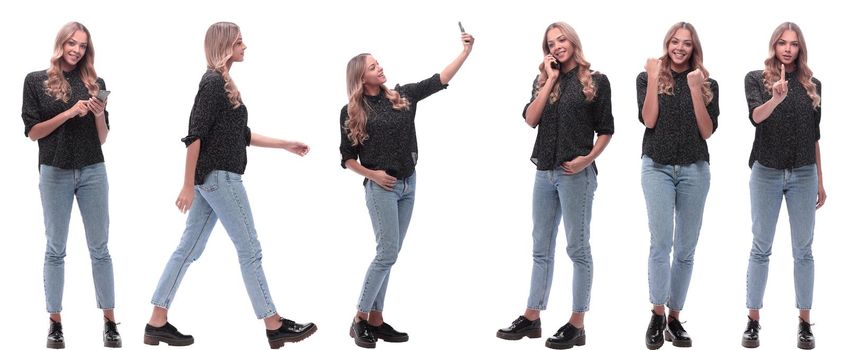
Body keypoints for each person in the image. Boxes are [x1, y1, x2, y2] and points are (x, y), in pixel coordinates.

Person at [143, 22, 316, 349]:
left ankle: (157, 321)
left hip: (213, 180)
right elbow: (194, 135)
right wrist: (187, 184)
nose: (245, 46)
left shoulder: (224, 83)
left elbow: (241, 134)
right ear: (224, 46)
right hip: (219, 179)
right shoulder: (212, 83)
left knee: (189, 249)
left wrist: (284, 144)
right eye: (239, 42)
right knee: (250, 249)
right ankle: (274, 324)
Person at [339, 31, 474, 348]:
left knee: (391, 254)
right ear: (361, 77)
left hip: (409, 184)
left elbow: (437, 81)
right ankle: (359, 318)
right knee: (386, 253)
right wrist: (373, 174)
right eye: (373, 67)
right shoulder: (351, 112)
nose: (380, 69)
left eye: (378, 64)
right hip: (380, 189)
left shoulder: (401, 97)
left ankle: (377, 319)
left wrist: (465, 53)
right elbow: (346, 159)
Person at [496, 21, 614, 349]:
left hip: (577, 174)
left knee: (577, 249)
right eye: (551, 43)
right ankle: (531, 317)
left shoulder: (597, 81)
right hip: (544, 172)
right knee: (540, 247)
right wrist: (548, 79)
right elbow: (531, 119)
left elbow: (606, 129)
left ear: (573, 41)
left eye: (562, 39)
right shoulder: (544, 80)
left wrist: (586, 160)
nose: (557, 46)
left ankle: (577, 323)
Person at [21, 21, 121, 349]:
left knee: (100, 249)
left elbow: (102, 138)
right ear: (61, 43)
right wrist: (68, 113)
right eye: (72, 44)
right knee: (55, 249)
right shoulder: (36, 81)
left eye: (82, 45)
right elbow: (33, 132)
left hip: (93, 171)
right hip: (54, 172)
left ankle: (109, 323)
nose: (77, 50)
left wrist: (97, 112)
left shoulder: (95, 82)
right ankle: (55, 324)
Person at [741, 22, 824, 350]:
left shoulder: (813, 84)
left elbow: (815, 135)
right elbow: (756, 118)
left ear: (800, 48)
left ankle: (805, 324)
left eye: (793, 44)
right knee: (761, 247)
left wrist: (820, 178)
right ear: (774, 46)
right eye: (782, 43)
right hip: (767, 172)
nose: (787, 49)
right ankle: (753, 320)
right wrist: (775, 97)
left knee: (804, 250)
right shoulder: (756, 79)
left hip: (804, 173)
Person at [637, 22, 719, 350]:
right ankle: (656, 315)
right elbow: (650, 121)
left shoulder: (707, 82)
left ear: (693, 47)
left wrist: (697, 89)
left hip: (695, 169)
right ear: (667, 43)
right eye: (675, 41)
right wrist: (656, 76)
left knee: (685, 248)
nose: (680, 47)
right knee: (661, 243)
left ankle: (674, 317)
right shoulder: (648, 76)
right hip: (656, 165)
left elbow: (707, 131)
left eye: (686, 43)